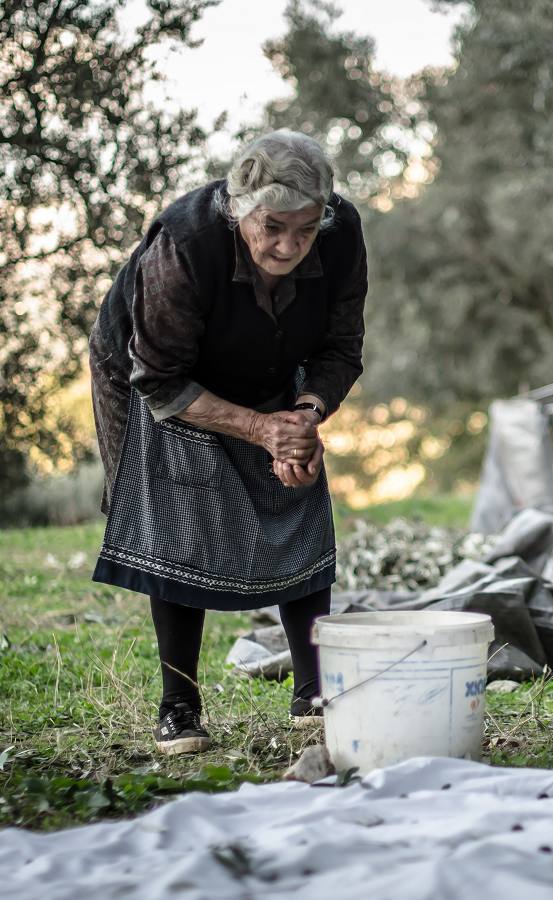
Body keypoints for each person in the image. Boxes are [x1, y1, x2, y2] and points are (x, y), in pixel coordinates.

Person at [89, 130, 367, 755]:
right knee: (182, 514)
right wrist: (259, 427)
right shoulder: (183, 245)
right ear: (240, 208)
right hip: (156, 373)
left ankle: (314, 689)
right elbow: (158, 376)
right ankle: (179, 706)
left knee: (298, 496)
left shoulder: (342, 231)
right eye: (273, 226)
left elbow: (342, 345)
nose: (289, 246)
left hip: (270, 363)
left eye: (304, 230)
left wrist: (300, 419)